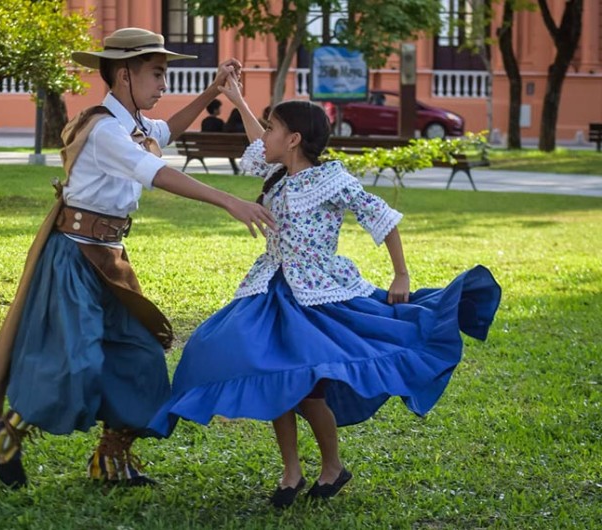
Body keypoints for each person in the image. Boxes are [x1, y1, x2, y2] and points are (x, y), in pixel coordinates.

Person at [148, 75, 502, 508]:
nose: (266, 135)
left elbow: (383, 218)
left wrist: (401, 276)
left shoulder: (331, 180)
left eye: (273, 127)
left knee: (307, 389)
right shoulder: (276, 171)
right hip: (270, 289)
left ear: (294, 139)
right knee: (267, 373)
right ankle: (291, 471)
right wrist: (237, 97)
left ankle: (332, 466)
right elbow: (258, 143)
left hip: (317, 294)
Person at [0, 27, 275, 490]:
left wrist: (214, 91)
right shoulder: (104, 131)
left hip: (110, 260)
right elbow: (154, 170)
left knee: (142, 356)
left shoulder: (135, 125)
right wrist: (228, 201)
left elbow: (167, 132)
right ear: (125, 74)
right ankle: (6, 434)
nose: (164, 84)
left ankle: (110, 459)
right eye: (157, 73)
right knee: (75, 362)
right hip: (72, 258)